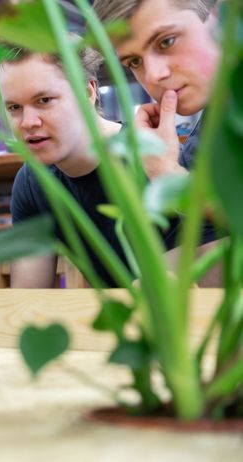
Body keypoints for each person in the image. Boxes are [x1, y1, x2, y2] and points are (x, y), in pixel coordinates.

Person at [94, 0, 221, 285]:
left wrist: (167, 174)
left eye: (167, 41)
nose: (153, 76)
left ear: (218, 16)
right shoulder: (203, 140)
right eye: (134, 62)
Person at [0, 46, 126, 287]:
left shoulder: (150, 161)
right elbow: (30, 303)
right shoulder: (33, 181)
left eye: (44, 100)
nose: (28, 123)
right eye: (14, 107)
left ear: (88, 92)